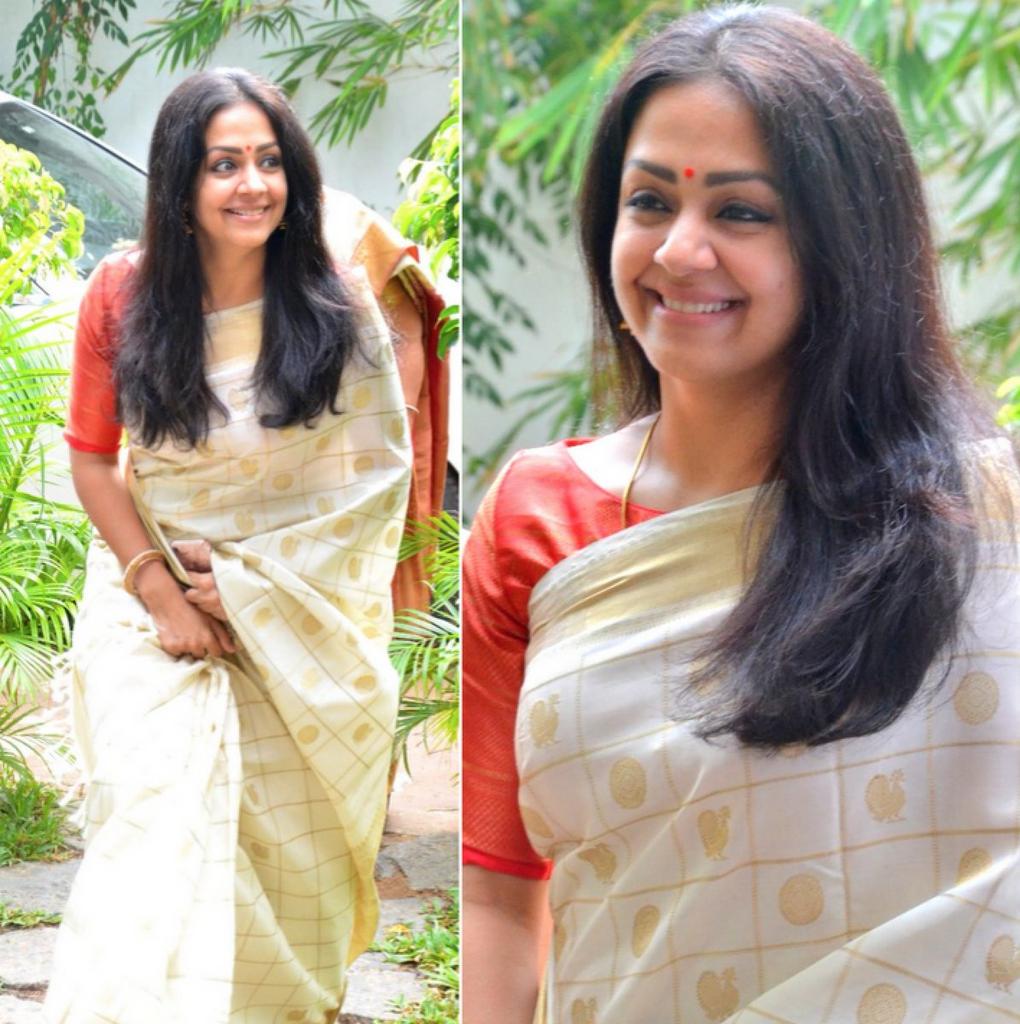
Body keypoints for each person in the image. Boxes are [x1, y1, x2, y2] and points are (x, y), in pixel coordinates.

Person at [462, 7, 1019, 1023]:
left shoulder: (986, 521)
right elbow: (501, 881)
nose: (681, 250)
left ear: (844, 242)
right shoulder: (535, 518)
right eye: (647, 201)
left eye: (743, 212)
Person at [48, 68, 446, 1022]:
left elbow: (372, 485)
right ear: (181, 183)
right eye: (223, 164)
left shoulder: (335, 306)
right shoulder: (123, 294)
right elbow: (94, 462)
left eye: (269, 161)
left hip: (297, 617)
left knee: (288, 862)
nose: (250, 185)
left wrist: (263, 587)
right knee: (157, 821)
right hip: (150, 608)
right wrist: (164, 594)